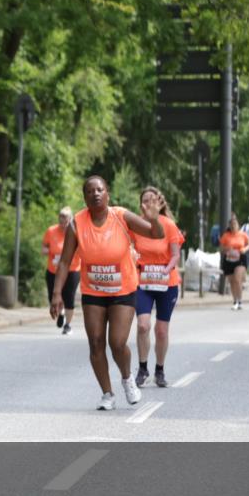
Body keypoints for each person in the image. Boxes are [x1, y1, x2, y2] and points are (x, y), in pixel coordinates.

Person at [49, 176, 164, 411]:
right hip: (93, 291)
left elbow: (156, 234)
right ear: (85, 197)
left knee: (117, 342)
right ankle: (107, 393)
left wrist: (154, 219)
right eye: (90, 191)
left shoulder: (121, 216)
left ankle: (127, 378)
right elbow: (64, 263)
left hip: (122, 289)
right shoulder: (76, 224)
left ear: (108, 194)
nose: (96, 194)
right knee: (96, 342)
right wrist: (56, 294)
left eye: (100, 189)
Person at [130, 187, 184, 388]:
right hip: (143, 281)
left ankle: (159, 369)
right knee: (143, 325)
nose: (148, 204)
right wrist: (132, 256)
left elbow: (175, 254)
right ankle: (142, 368)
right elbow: (129, 246)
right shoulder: (135, 224)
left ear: (158, 203)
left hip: (165, 281)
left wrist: (167, 269)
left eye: (152, 200)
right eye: (145, 200)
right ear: (141, 205)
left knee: (161, 330)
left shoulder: (168, 225)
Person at [42, 207, 81, 335]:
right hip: (53, 269)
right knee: (52, 296)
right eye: (61, 217)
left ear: (70, 219)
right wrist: (52, 252)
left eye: (65, 218)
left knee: (69, 297)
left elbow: (82, 249)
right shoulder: (51, 231)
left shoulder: (76, 231)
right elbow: (43, 249)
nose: (62, 220)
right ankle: (61, 313)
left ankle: (68, 325)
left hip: (72, 269)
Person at [219, 213, 249, 310]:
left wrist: (244, 249)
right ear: (229, 226)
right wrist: (226, 249)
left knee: (237, 279)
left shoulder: (243, 235)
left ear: (238, 225)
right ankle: (235, 301)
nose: (233, 226)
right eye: (232, 225)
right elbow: (221, 248)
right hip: (229, 259)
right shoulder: (225, 236)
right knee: (232, 281)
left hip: (240, 258)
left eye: (235, 224)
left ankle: (240, 300)